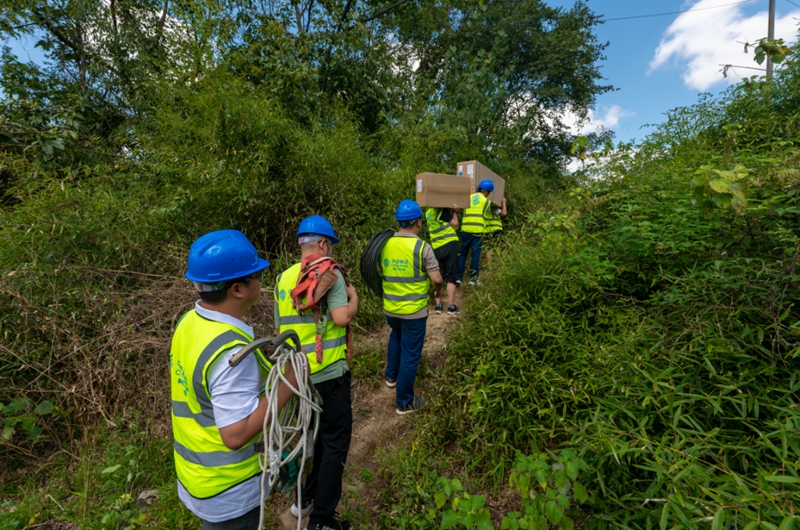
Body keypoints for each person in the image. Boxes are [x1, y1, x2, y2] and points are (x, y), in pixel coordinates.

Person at [171, 229, 303, 530]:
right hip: (229, 488)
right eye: (254, 274)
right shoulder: (230, 353)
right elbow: (236, 434)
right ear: (238, 290)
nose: (260, 279)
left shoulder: (190, 323)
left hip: (198, 477)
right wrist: (290, 380)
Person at [274, 215, 358, 530]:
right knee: (334, 440)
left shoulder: (283, 279)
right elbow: (340, 318)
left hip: (296, 378)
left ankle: (303, 500)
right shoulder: (330, 273)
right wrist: (354, 300)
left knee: (313, 438)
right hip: (329, 375)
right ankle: (321, 520)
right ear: (323, 244)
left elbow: (281, 328)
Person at [381, 200, 443, 415]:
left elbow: (379, 270)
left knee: (395, 336)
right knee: (410, 356)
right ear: (419, 221)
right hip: (413, 312)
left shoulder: (384, 244)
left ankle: (391, 377)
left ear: (398, 222)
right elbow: (436, 278)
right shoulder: (421, 247)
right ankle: (404, 403)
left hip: (390, 309)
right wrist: (438, 290)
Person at [424, 204, 460, 315]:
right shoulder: (441, 211)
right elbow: (455, 225)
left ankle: (438, 305)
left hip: (436, 248)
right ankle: (451, 306)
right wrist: (454, 212)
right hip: (449, 245)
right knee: (451, 276)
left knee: (438, 277)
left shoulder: (428, 212)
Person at [457, 179, 494, 286]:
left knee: (463, 254)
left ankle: (459, 278)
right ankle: (472, 280)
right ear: (487, 192)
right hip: (477, 233)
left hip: (465, 230)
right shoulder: (486, 202)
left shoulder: (468, 198)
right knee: (475, 256)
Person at [483, 196, 508, 266]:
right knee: (503, 248)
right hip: (497, 230)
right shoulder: (494, 208)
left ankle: (489, 266)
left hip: (487, 231)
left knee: (489, 250)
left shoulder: (483, 208)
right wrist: (503, 203)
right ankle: (502, 265)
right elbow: (504, 213)